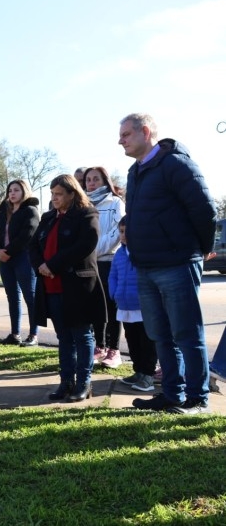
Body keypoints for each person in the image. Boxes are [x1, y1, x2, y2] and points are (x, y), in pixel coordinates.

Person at [120, 113, 217, 414]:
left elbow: (205, 210)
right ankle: (172, 394)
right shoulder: (135, 171)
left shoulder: (175, 163)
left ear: (145, 131)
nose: (120, 140)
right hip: (146, 267)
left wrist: (200, 251)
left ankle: (198, 398)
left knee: (187, 334)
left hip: (177, 263)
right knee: (160, 335)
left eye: (125, 134)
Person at [31, 174, 106, 403]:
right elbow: (33, 246)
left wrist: (52, 265)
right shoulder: (48, 217)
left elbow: (85, 244)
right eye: (52, 194)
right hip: (51, 285)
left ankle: (84, 383)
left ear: (72, 193)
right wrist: (41, 267)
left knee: (82, 336)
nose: (54, 198)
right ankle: (66, 382)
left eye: (59, 194)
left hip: (77, 285)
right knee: (63, 337)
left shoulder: (86, 214)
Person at [0, 179, 40, 347]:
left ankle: (33, 334)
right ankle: (15, 334)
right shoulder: (3, 211)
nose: (12, 193)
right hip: (4, 259)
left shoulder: (31, 211)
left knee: (30, 297)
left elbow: (27, 235)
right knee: (12, 297)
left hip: (23, 258)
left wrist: (8, 252)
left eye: (16, 190)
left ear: (24, 191)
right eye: (10, 190)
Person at [84, 166, 125, 368]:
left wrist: (95, 250)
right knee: (95, 308)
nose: (92, 183)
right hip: (90, 264)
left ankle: (114, 350)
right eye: (88, 180)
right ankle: (99, 346)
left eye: (96, 179)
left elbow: (117, 231)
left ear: (105, 181)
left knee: (111, 307)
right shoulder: (83, 204)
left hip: (109, 261)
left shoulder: (115, 202)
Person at [110, 216, 158, 392]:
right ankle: (138, 371)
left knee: (147, 342)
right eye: (121, 231)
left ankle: (148, 375)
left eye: (127, 231)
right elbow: (113, 275)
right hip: (125, 306)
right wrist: (114, 292)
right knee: (132, 340)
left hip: (142, 306)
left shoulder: (145, 253)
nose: (123, 236)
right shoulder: (119, 254)